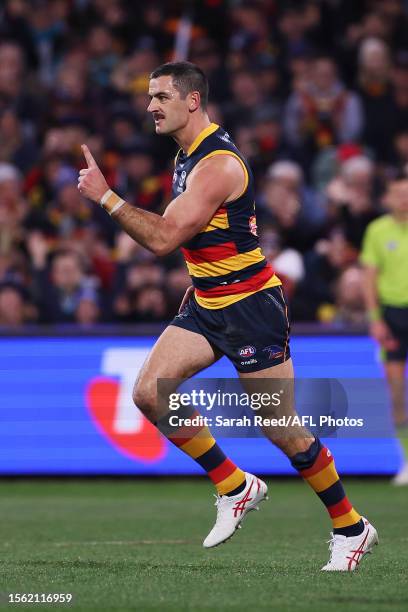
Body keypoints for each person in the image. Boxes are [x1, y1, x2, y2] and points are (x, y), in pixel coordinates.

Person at [78, 61, 378, 571]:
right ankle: (234, 485)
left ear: (192, 101)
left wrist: (106, 196)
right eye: (149, 96)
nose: (150, 105)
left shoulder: (217, 164)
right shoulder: (186, 154)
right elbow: (199, 241)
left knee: (281, 428)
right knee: (149, 392)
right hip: (207, 302)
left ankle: (352, 526)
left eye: (161, 96)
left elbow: (164, 239)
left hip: (251, 308)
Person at [361, 178, 408, 485]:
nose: (404, 199)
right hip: (393, 315)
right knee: (396, 393)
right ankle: (407, 461)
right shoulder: (377, 230)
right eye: (398, 194)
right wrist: (375, 319)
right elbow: (368, 278)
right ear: (387, 198)